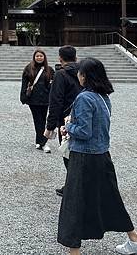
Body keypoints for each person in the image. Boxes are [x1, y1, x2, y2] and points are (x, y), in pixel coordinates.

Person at [57, 57, 137, 255]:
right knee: (110, 199)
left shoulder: (84, 97)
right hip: (102, 155)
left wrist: (67, 127)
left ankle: (74, 252)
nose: (78, 76)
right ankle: (136, 239)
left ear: (85, 76)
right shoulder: (103, 97)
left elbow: (83, 131)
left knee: (74, 202)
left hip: (83, 157)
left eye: (80, 73)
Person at [45, 45, 82, 197]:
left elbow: (56, 101)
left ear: (60, 58)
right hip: (83, 117)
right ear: (76, 57)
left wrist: (50, 125)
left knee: (68, 153)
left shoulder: (61, 74)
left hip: (65, 120)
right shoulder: (84, 72)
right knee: (80, 152)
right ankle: (77, 185)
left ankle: (73, 187)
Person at [20, 49, 54, 153]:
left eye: (41, 56)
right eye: (37, 56)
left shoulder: (49, 70)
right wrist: (23, 96)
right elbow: (24, 84)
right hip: (33, 99)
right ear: (34, 57)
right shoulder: (29, 68)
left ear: (44, 57)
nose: (39, 58)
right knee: (37, 120)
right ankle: (41, 141)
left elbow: (52, 85)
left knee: (43, 120)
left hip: (44, 98)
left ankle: (41, 142)